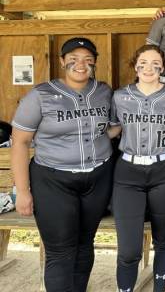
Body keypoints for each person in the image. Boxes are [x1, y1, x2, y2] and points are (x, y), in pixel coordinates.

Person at [11, 37, 114, 292]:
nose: (81, 64)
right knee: (60, 250)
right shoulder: (41, 95)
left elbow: (111, 128)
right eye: (73, 59)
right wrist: (23, 192)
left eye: (87, 60)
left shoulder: (103, 91)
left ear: (94, 63)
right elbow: (20, 143)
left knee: (84, 243)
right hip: (53, 180)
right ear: (61, 61)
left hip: (97, 178)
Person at [108, 45, 165, 292]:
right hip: (128, 170)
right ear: (135, 65)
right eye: (143, 62)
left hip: (164, 169)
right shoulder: (120, 95)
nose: (149, 67)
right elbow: (113, 129)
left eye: (155, 63)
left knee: (163, 239)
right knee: (129, 247)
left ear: (163, 67)